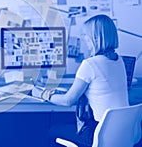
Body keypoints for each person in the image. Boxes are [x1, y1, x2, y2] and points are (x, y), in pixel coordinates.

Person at [32, 14, 129, 147]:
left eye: (85, 36)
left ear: (95, 38)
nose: (84, 41)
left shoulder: (90, 64)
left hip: (99, 134)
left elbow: (68, 100)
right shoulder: (119, 61)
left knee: (53, 131)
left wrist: (42, 94)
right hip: (122, 133)